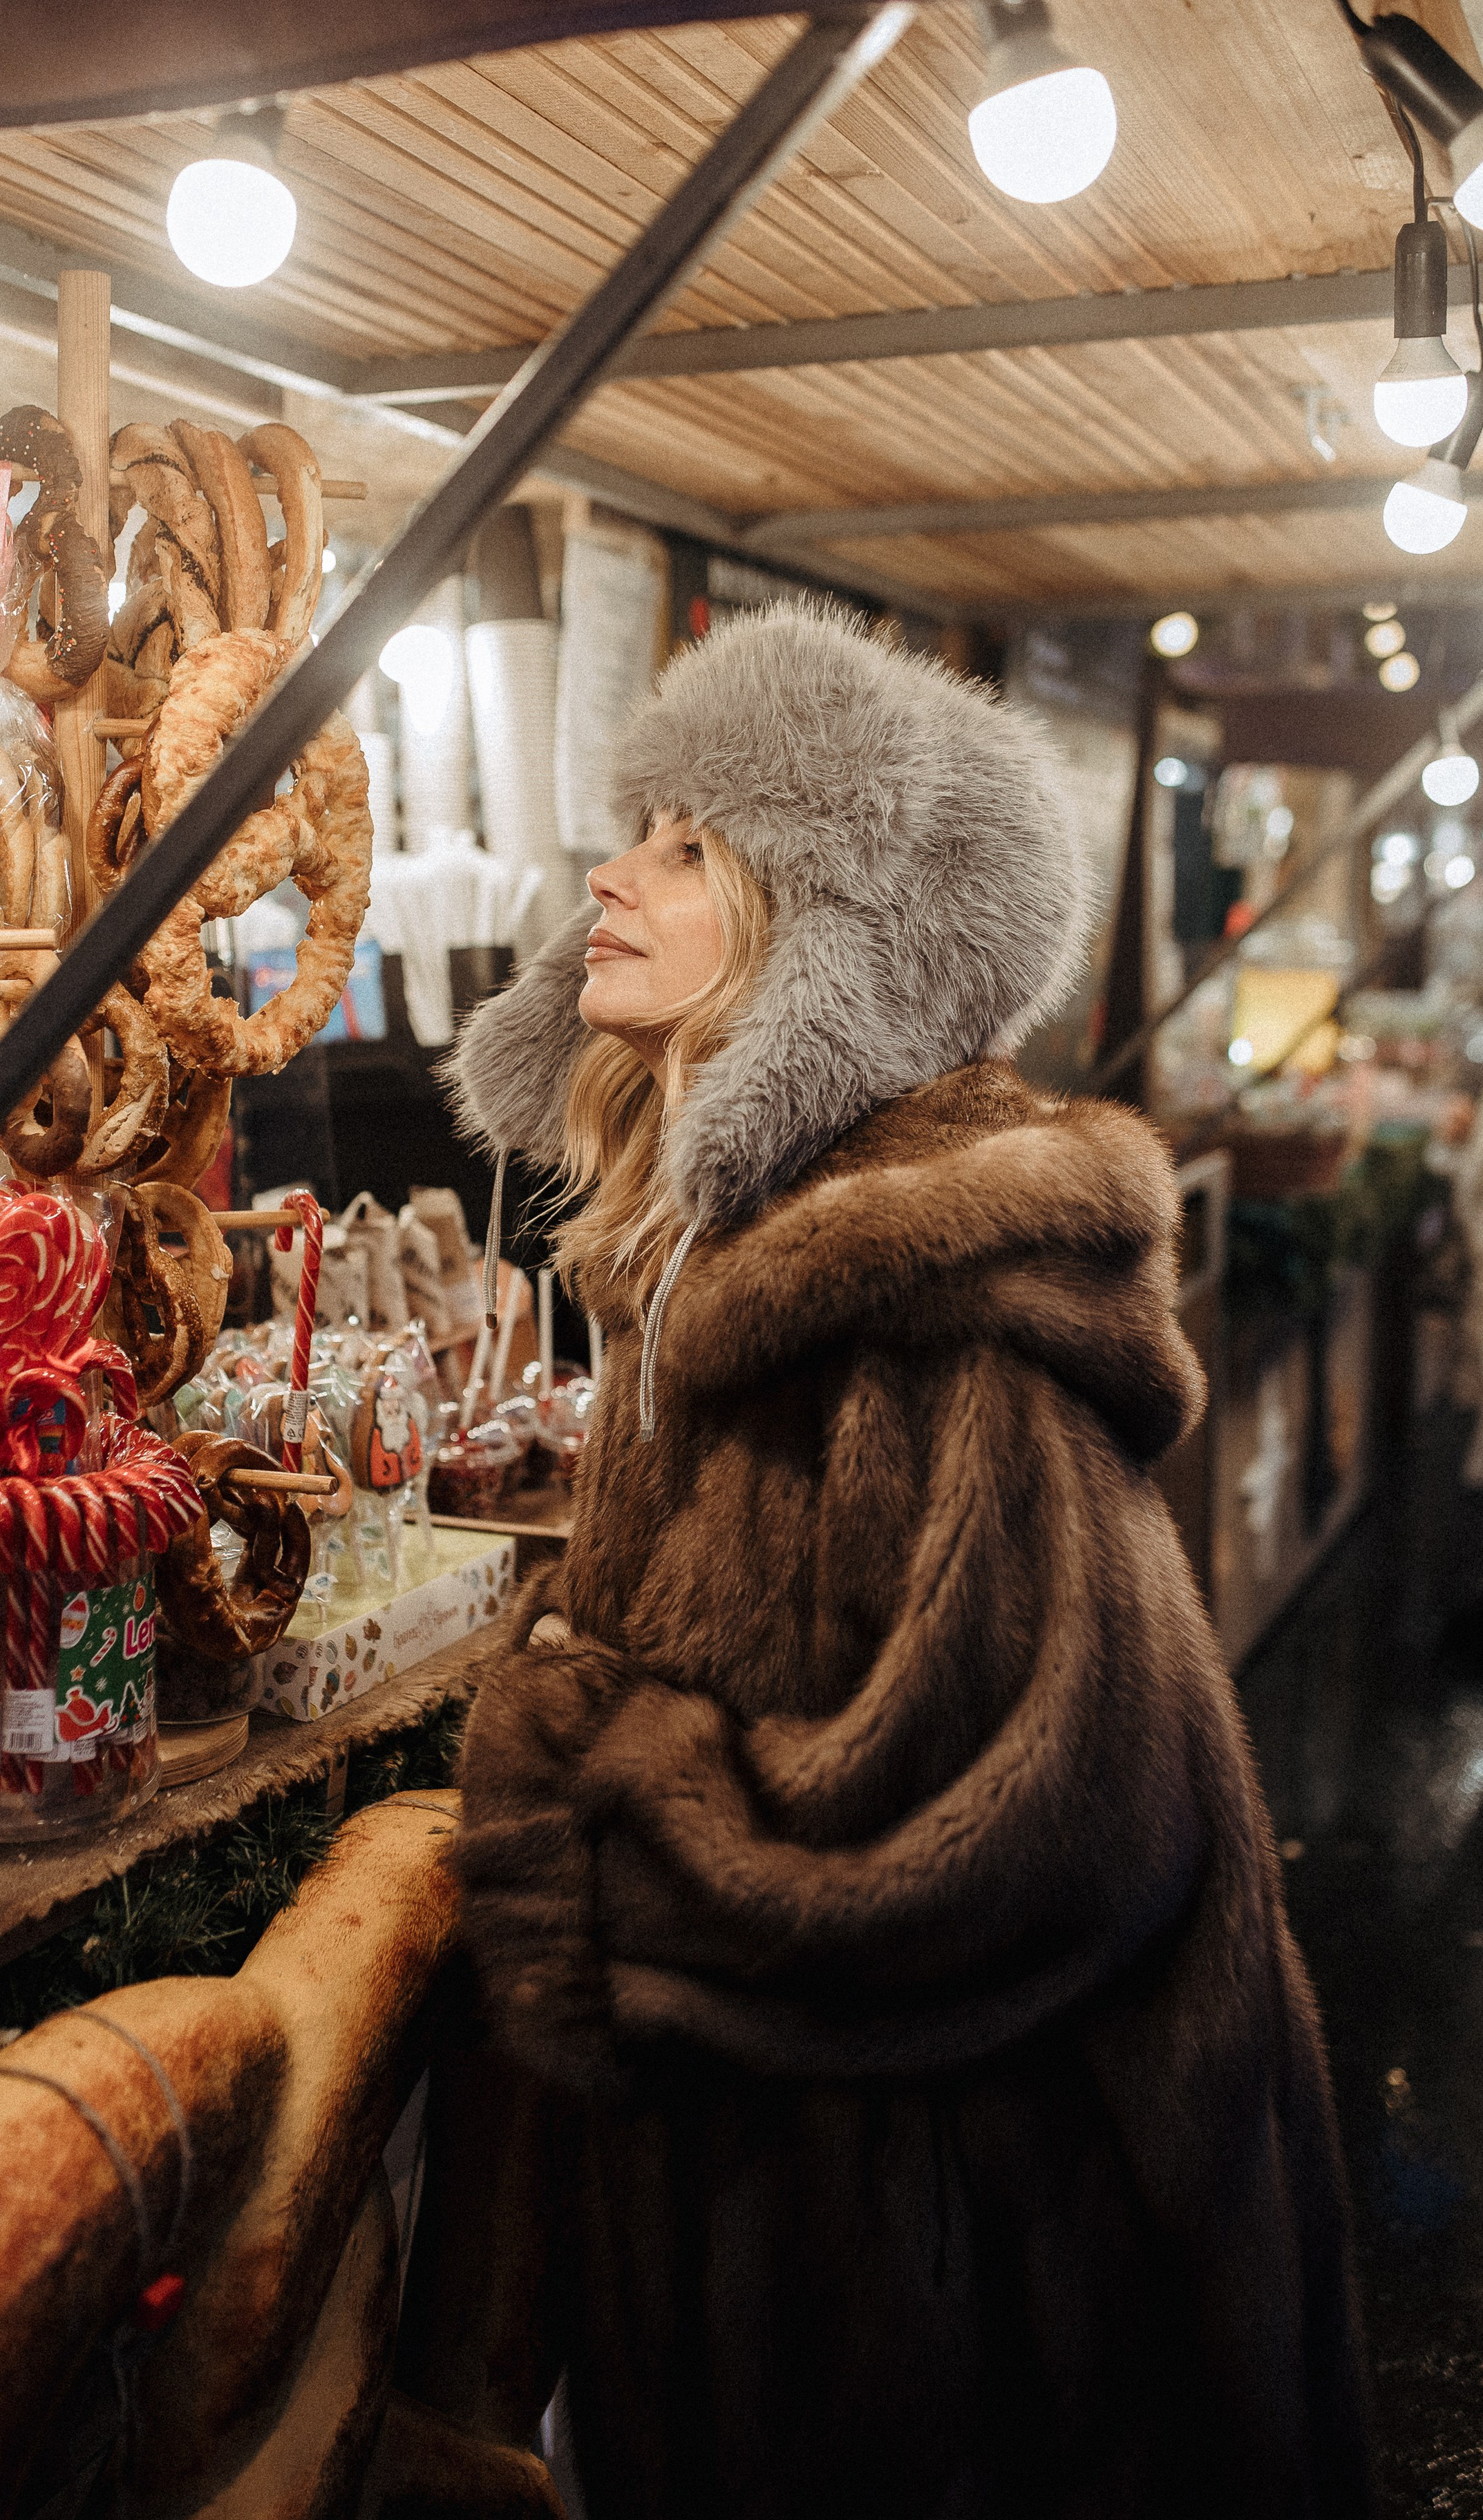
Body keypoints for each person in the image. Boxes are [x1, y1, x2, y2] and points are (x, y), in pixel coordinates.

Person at [391, 603, 1372, 2519]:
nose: (610, 872)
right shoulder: (738, 1261)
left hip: (963, 2316)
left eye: (691, 846)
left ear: (833, 953)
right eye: (639, 823)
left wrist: (585, 1809)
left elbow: (1048, 1821)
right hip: (844, 2251)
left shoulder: (919, 1318)